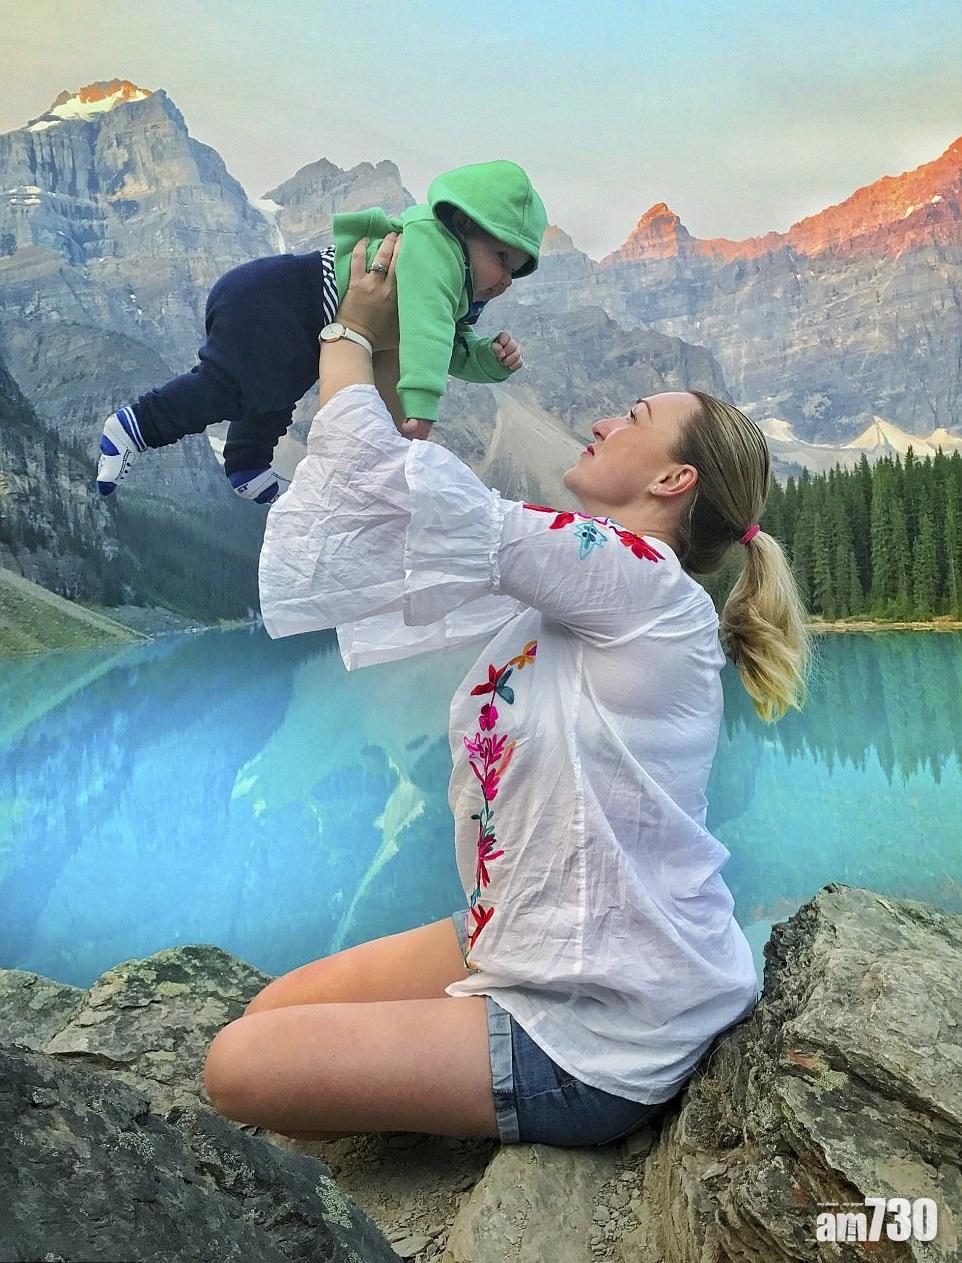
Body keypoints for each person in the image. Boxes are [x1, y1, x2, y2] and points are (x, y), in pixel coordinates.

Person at [202, 233, 812, 1148]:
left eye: (633, 416)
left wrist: (349, 334)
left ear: (672, 479)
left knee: (237, 1065)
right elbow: (415, 529)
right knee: (269, 1011)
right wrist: (397, 373)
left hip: (603, 1023)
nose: (603, 420)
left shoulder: (640, 579)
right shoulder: (591, 585)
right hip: (531, 931)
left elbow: (415, 497)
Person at [95, 160, 546, 503]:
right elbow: (428, 333)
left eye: (516, 271)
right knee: (228, 387)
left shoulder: (455, 282)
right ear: (463, 225)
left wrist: (488, 359)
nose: (506, 279)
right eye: (501, 259)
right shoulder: (435, 248)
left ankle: (247, 465)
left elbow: (446, 343)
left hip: (279, 304)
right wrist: (421, 404)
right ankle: (137, 425)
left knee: (276, 386)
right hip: (274, 298)